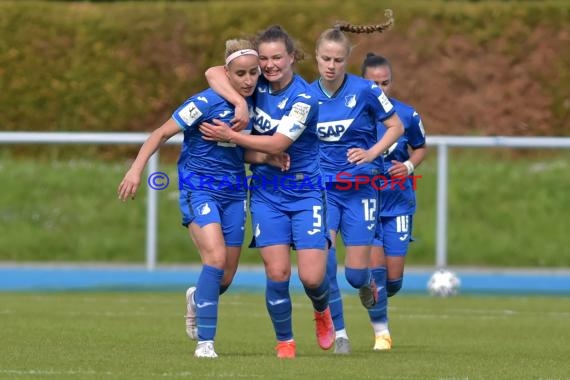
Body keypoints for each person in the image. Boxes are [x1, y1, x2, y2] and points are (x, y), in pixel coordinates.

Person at [117, 38, 267, 359]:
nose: (248, 79)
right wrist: (135, 170)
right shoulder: (204, 102)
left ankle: (197, 296)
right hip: (198, 188)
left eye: (253, 73)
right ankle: (206, 343)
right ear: (228, 73)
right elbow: (160, 133)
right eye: (240, 74)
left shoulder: (259, 103)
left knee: (224, 277)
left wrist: (271, 157)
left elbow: (249, 147)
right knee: (214, 259)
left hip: (235, 192)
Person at [199, 25, 334, 359]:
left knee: (312, 277)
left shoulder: (304, 98)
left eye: (277, 57)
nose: (270, 65)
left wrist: (232, 136)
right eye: (264, 59)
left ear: (292, 58)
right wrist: (238, 105)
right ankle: (285, 341)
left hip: (304, 191)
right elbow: (213, 71)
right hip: (266, 192)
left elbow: (278, 143)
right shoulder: (251, 84)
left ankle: (321, 310)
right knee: (277, 272)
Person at [310, 16, 405, 354]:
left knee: (354, 275)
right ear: (317, 57)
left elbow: (395, 127)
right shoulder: (307, 96)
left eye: (337, 60)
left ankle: (367, 288)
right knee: (321, 264)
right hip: (323, 192)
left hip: (360, 191)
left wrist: (371, 153)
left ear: (345, 60)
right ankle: (340, 334)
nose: (331, 66)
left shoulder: (365, 91)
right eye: (325, 59)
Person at [362, 52, 428, 350]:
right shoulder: (353, 117)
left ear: (392, 82)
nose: (380, 88)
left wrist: (410, 166)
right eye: (373, 83)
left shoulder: (407, 115)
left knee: (393, 280)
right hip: (365, 201)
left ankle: (372, 291)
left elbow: (420, 148)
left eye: (385, 82)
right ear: (363, 83)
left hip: (398, 202)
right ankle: (382, 335)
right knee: (375, 269)